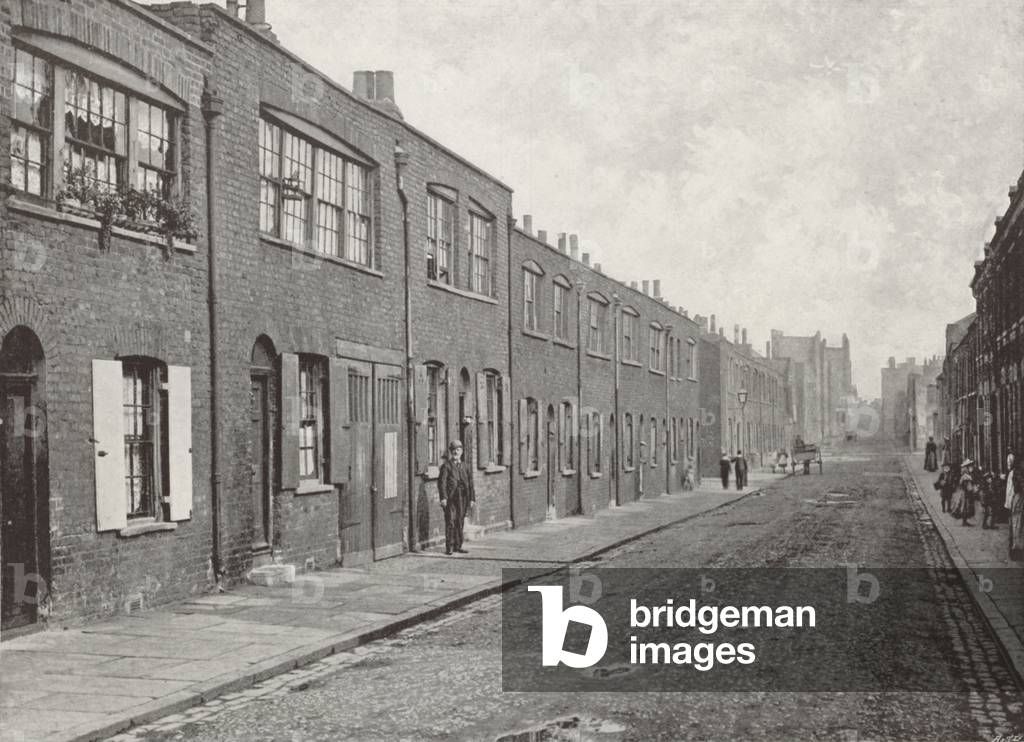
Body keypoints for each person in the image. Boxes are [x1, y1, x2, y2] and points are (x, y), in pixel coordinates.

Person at [438, 439, 475, 555]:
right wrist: (443, 497)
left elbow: (470, 483)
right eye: (454, 450)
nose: (456, 452)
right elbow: (442, 483)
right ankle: (449, 546)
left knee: (460, 521)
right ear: (450, 452)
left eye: (458, 450)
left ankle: (458, 545)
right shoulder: (446, 466)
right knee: (451, 521)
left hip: (462, 498)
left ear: (462, 451)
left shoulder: (465, 466)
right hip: (451, 498)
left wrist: (472, 498)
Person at [950, 459, 977, 526]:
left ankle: (965, 521)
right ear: (967, 467)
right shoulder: (965, 476)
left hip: (965, 493)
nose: (971, 467)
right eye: (970, 466)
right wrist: (970, 490)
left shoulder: (967, 475)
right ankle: (964, 521)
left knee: (965, 506)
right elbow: (966, 485)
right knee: (965, 506)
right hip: (965, 494)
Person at [1007, 465, 1023, 561]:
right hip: (1020, 499)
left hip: (1019, 499)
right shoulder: (1018, 470)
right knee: (1017, 525)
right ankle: (1016, 551)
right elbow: (1018, 484)